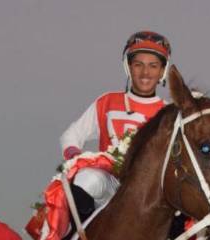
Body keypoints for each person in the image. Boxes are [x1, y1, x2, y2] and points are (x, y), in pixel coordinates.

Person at [59, 30, 171, 217]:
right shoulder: (108, 101)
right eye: (138, 65)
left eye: (153, 66)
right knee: (85, 179)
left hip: (150, 193)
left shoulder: (169, 112)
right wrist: (76, 156)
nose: (145, 72)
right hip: (111, 183)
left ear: (162, 71)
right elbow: (70, 135)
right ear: (128, 67)